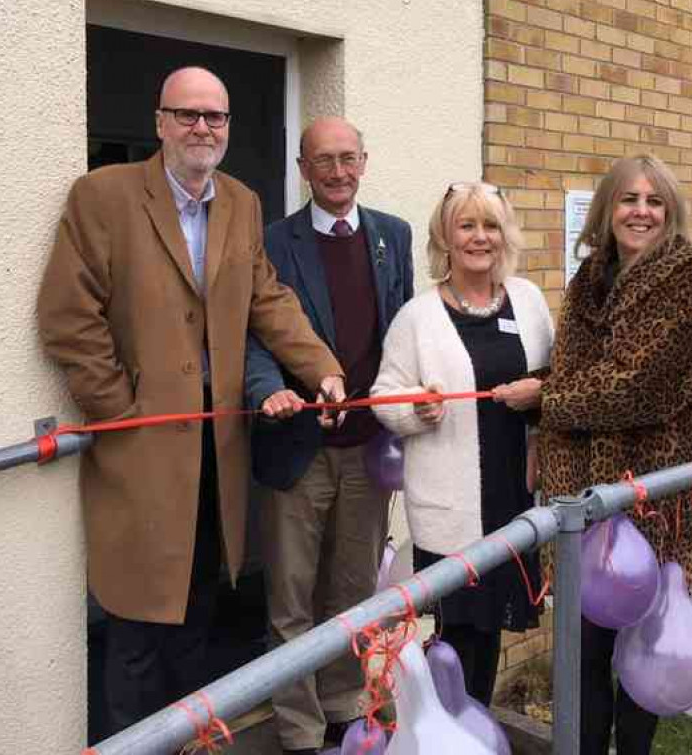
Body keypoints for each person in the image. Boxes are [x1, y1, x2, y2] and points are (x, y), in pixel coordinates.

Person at [37, 66, 345, 735]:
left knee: (201, 605)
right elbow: (67, 314)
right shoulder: (103, 197)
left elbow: (268, 299)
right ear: (159, 122)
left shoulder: (240, 201)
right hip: (143, 443)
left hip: (220, 443)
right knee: (138, 623)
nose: (202, 127)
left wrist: (319, 368)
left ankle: (188, 743)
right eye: (187, 114)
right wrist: (119, 409)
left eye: (215, 117)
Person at [538, 155, 692, 755]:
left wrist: (545, 401)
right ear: (606, 210)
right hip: (585, 488)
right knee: (588, 643)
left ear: (668, 213)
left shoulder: (685, 278)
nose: (640, 212)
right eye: (628, 200)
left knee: (645, 643)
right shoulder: (587, 280)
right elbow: (579, 375)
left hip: (657, 488)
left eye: (653, 201)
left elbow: (635, 390)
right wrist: (545, 386)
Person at [244, 116, 413, 755]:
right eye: (323, 160)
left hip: (370, 451)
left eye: (348, 158)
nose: (337, 172)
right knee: (290, 600)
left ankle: (343, 704)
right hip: (297, 450)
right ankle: (299, 729)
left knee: (350, 591)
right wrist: (268, 393)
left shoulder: (391, 237)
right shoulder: (272, 242)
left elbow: (402, 336)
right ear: (302, 168)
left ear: (364, 162)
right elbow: (254, 335)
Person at [371, 182, 553, 707]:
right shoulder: (419, 316)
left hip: (513, 496)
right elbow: (385, 396)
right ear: (444, 240)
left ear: (505, 235)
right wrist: (416, 410)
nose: (480, 237)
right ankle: (448, 731)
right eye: (466, 226)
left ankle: (473, 728)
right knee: (455, 639)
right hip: (452, 508)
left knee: (490, 633)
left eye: (490, 225)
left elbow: (556, 375)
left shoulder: (528, 300)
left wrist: (540, 391)